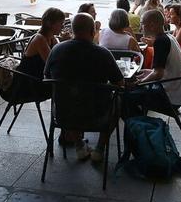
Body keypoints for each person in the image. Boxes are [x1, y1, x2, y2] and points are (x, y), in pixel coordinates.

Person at [44, 13, 125, 162]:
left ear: (73, 30)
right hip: (97, 115)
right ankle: (99, 149)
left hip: (63, 115)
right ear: (93, 31)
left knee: (70, 99)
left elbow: (47, 76)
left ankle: (79, 145)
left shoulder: (56, 50)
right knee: (118, 100)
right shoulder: (103, 54)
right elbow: (120, 83)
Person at [121, 9, 181, 118]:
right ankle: (140, 125)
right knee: (132, 92)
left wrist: (139, 82)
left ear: (152, 25)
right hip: (176, 94)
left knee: (125, 97)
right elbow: (161, 71)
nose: (140, 28)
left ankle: (141, 128)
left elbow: (158, 74)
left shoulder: (161, 42)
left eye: (142, 24)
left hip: (169, 98)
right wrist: (148, 72)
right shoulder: (168, 37)